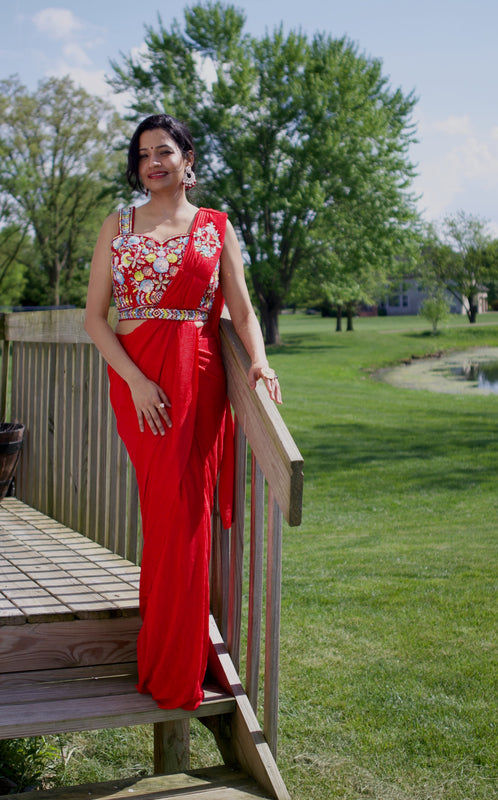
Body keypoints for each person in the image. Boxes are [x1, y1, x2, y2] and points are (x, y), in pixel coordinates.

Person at [84, 114, 281, 711]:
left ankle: (177, 662)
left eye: (164, 151)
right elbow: (94, 318)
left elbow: (242, 312)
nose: (153, 162)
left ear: (187, 159)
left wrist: (259, 362)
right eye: (144, 154)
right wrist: (137, 383)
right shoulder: (117, 224)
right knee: (165, 514)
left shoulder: (216, 227)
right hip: (140, 385)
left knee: (187, 516)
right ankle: (171, 655)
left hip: (198, 379)